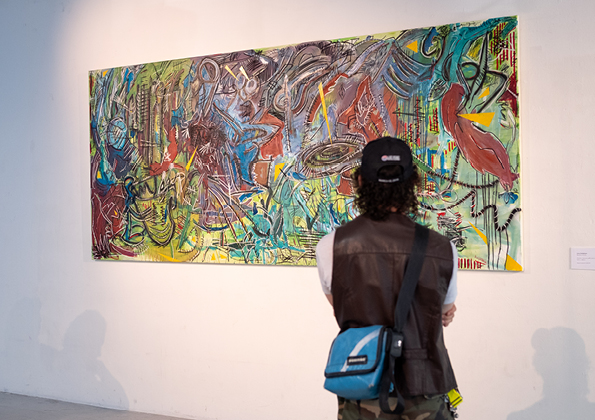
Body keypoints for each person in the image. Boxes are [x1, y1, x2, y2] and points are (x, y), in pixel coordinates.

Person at [316, 137, 460, 420]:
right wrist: (444, 310)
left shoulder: (331, 246)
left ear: (360, 181)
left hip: (362, 385)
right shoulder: (443, 248)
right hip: (424, 388)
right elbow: (443, 312)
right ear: (413, 183)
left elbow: (341, 305)